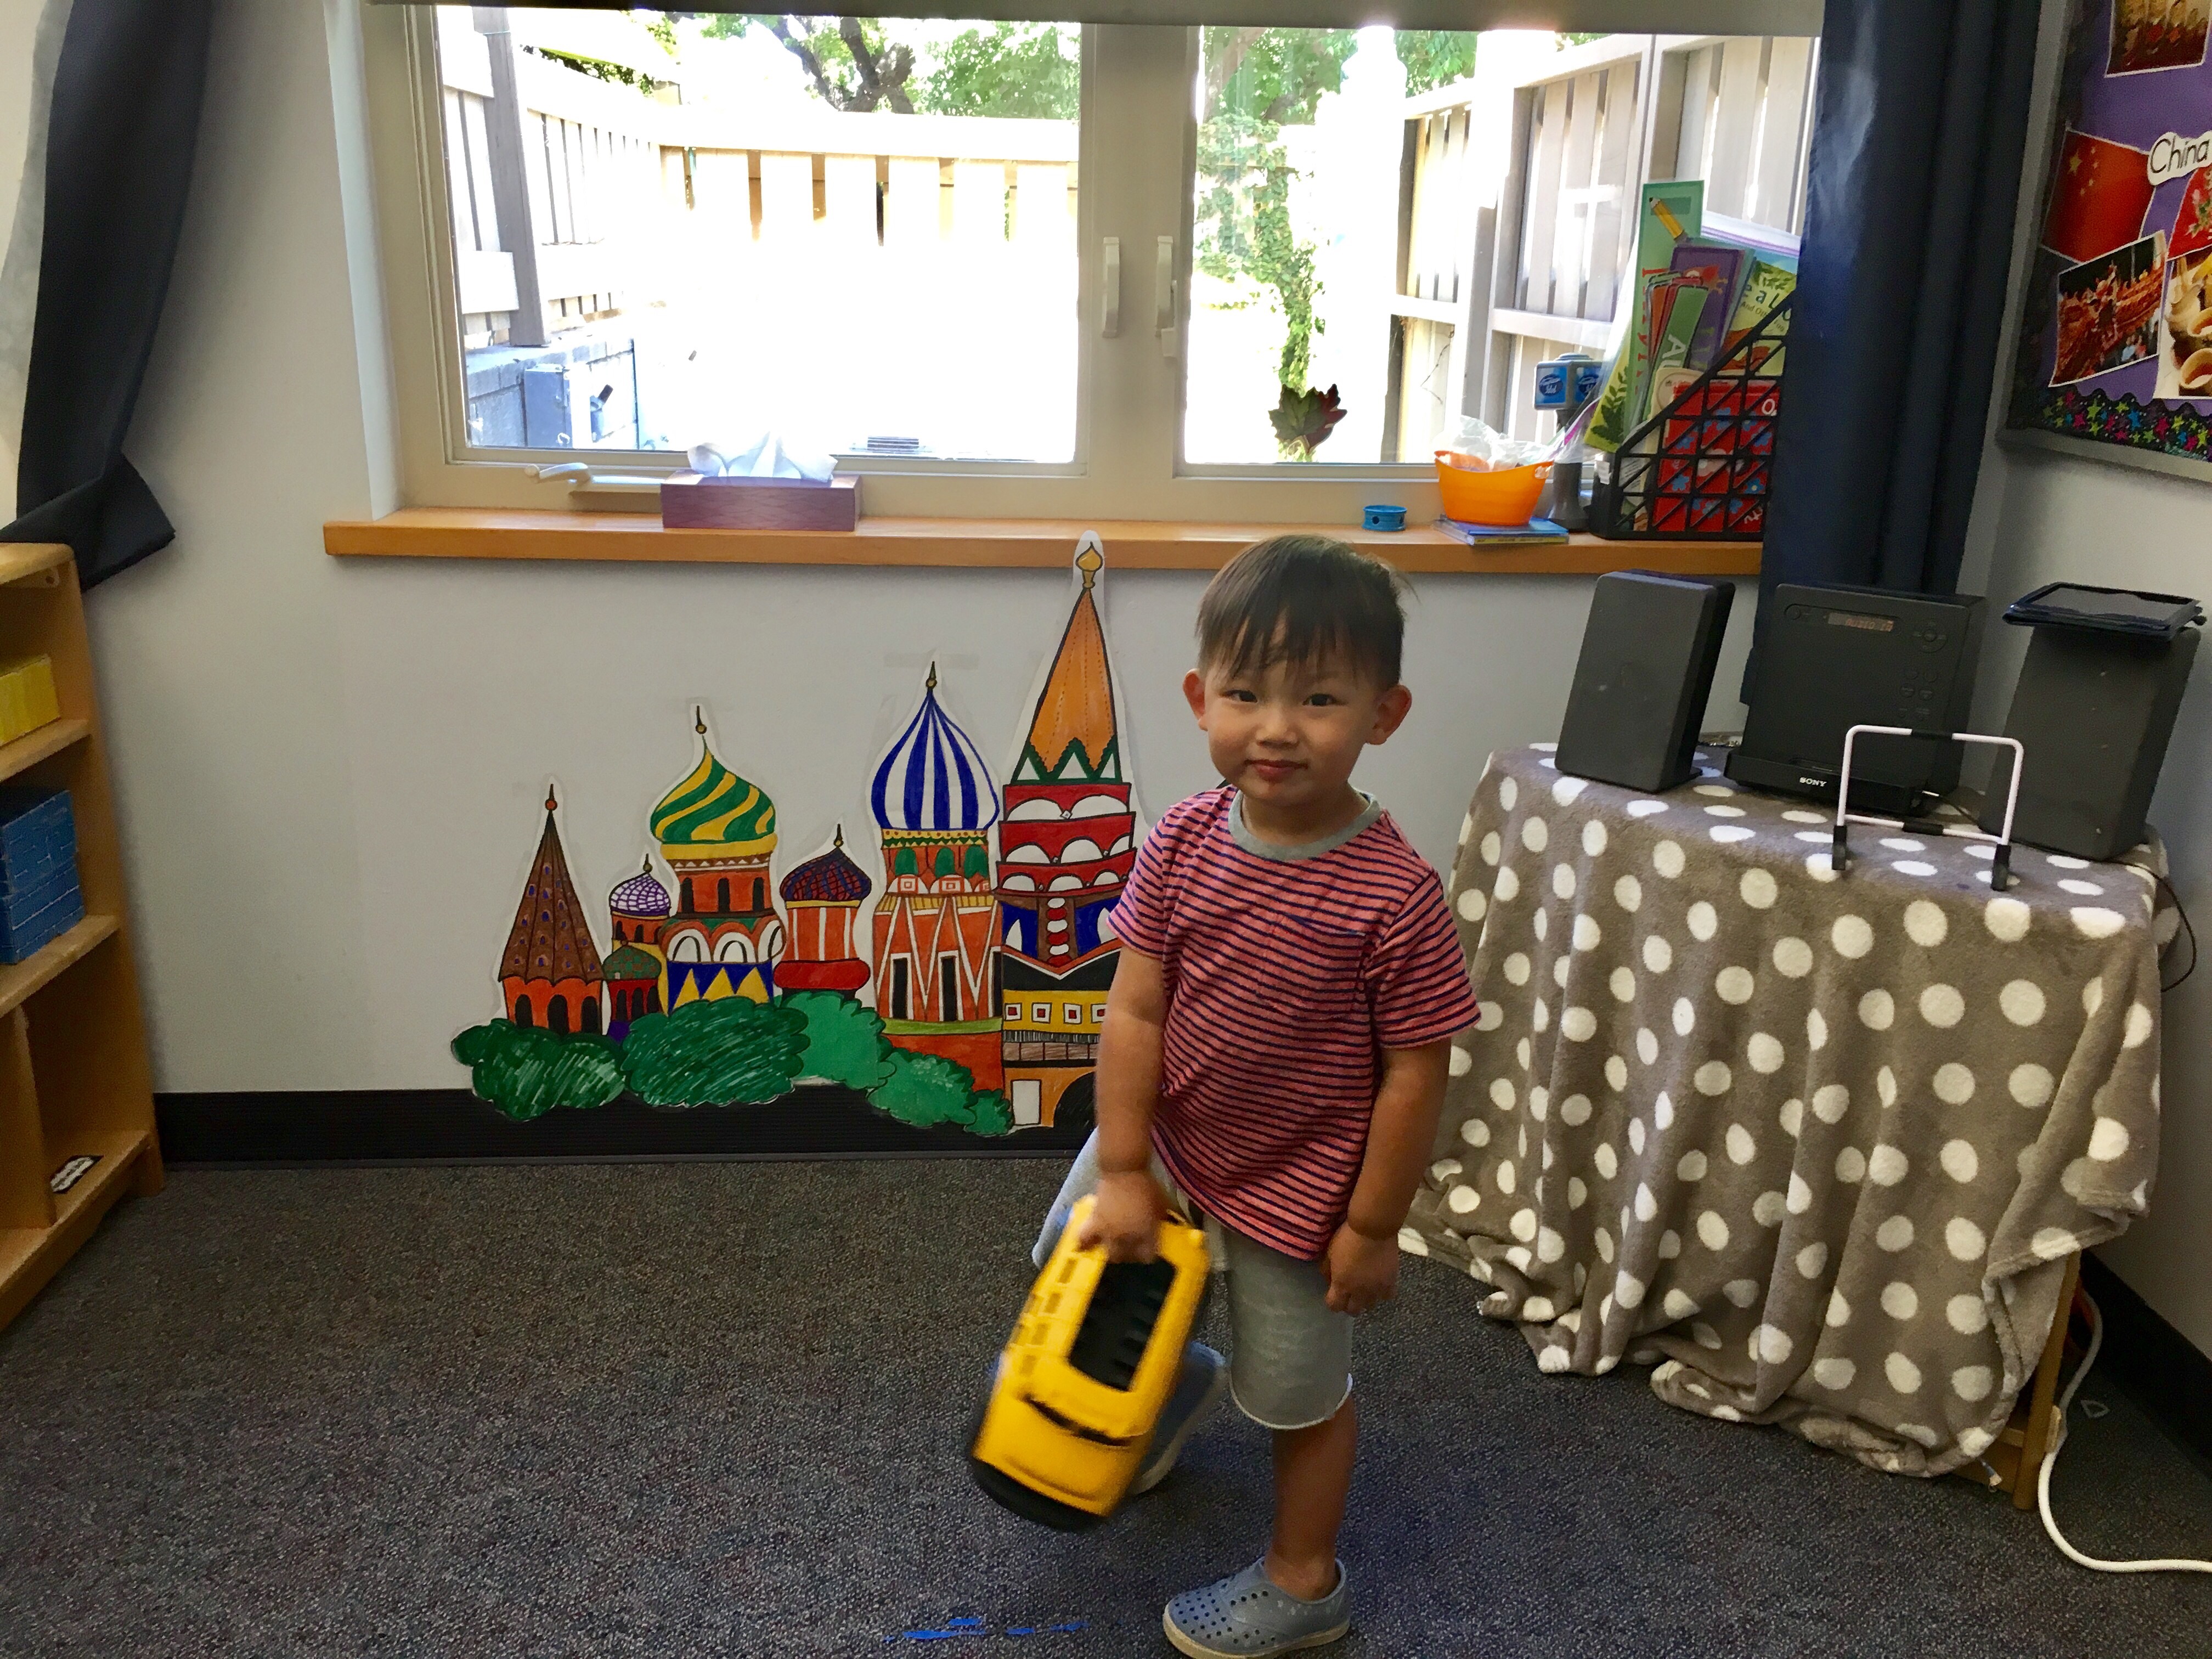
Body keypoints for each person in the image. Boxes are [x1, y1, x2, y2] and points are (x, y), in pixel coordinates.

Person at [1028, 536, 1479, 1657]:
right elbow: (1135, 1012)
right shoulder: (1183, 839)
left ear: (1385, 714)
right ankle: (1171, 1390)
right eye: (1246, 694)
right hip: (1173, 1143)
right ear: (1201, 701)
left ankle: (1305, 1581)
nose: (1277, 728)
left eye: (1319, 699)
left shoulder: (1397, 895)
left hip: (1305, 1192)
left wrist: (1373, 1227)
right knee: (1086, 1274)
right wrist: (1123, 1165)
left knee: (1297, 1398)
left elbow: (1418, 1071)